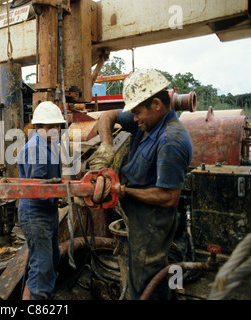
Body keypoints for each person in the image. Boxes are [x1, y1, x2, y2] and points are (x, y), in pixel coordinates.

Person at [92, 69, 193, 300]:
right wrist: (106, 146)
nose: (135, 119)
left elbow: (169, 198)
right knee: (148, 271)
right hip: (138, 214)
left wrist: (122, 190)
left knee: (144, 279)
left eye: (137, 112)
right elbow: (107, 116)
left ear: (156, 104)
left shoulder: (171, 140)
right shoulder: (150, 122)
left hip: (153, 221)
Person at [17, 101, 66, 300]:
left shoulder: (49, 145)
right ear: (37, 127)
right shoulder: (35, 149)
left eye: (57, 126)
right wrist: (67, 193)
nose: (54, 130)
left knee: (49, 261)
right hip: (36, 213)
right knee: (42, 267)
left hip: (48, 211)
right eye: (49, 127)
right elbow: (37, 188)